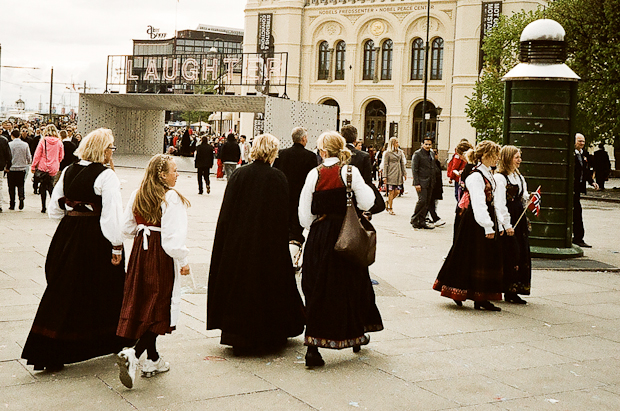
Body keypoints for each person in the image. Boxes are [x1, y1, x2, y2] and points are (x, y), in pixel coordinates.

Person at [21, 128, 131, 371]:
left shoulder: (69, 170)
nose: (112, 152)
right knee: (108, 286)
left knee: (64, 289)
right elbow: (111, 216)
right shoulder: (106, 176)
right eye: (111, 147)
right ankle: (112, 338)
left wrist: (74, 213)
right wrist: (116, 245)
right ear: (103, 150)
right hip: (94, 238)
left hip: (68, 235)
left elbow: (54, 210)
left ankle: (50, 347)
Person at [207, 134, 305, 355]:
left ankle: (237, 332)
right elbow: (282, 215)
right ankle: (268, 333)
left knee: (240, 285)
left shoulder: (239, 175)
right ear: (272, 152)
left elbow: (227, 213)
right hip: (267, 243)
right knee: (266, 286)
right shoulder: (277, 178)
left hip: (238, 242)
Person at [299, 131, 383, 367]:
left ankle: (313, 348)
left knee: (317, 287)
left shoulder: (314, 174)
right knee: (353, 285)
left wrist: (314, 227)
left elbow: (304, 215)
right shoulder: (350, 172)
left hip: (321, 236)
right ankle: (356, 335)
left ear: (323, 151)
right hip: (347, 235)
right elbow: (368, 202)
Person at [116, 154, 191, 389]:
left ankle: (153, 360)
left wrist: (143, 228)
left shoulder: (138, 193)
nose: (177, 174)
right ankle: (135, 354)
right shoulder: (170, 197)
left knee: (144, 303)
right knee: (159, 305)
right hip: (159, 252)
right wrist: (183, 259)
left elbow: (126, 227)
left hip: (141, 250)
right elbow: (172, 238)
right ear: (162, 174)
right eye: (174, 170)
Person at [433, 140, 504, 311]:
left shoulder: (486, 173)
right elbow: (478, 203)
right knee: (470, 256)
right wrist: (487, 226)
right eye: (494, 156)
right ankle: (466, 293)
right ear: (486, 155)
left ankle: (481, 296)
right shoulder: (475, 176)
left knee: (483, 257)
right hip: (474, 221)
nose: (497, 159)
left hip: (485, 217)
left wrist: (498, 224)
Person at [273, 127, 319, 267]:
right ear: (303, 139)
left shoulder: (282, 154)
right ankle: (293, 257)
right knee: (296, 228)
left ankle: (282, 254)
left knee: (284, 226)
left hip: (284, 195)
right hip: (301, 196)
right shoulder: (310, 156)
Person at [494, 145, 531, 304]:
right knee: (510, 254)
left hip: (519, 217)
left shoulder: (518, 176)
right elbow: (500, 203)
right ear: (508, 158)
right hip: (509, 217)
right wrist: (506, 224)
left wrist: (530, 199)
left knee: (521, 252)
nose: (519, 160)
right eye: (517, 157)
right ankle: (507, 288)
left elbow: (523, 195)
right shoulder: (500, 178)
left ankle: (516, 289)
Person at [31, 125, 64, 213]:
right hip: (54, 167)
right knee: (51, 186)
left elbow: (37, 154)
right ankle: (53, 204)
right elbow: (61, 156)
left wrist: (33, 166)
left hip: (43, 167)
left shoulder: (43, 141)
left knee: (42, 186)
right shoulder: (59, 142)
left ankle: (43, 206)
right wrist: (56, 162)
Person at [573, 133, 598, 248]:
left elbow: (586, 171)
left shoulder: (584, 155)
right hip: (572, 188)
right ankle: (577, 237)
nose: (582, 144)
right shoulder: (572, 155)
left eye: (583, 141)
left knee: (577, 212)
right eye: (579, 141)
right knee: (576, 212)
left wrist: (592, 182)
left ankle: (578, 237)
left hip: (578, 188)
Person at [411, 137, 437, 229]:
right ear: (422, 144)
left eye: (429, 144)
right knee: (422, 200)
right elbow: (415, 169)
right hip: (421, 181)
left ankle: (422, 221)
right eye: (426, 144)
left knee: (427, 202)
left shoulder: (432, 153)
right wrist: (416, 183)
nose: (427, 146)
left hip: (430, 181)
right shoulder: (417, 154)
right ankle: (414, 219)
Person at [380, 137, 406, 215]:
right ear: (393, 144)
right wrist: (384, 176)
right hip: (390, 173)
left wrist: (404, 173)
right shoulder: (387, 153)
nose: (398, 144)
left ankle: (387, 202)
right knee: (391, 192)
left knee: (397, 191)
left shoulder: (400, 152)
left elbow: (402, 163)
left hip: (398, 174)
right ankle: (390, 208)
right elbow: (385, 164)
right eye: (396, 143)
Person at [7, 129, 32, 210]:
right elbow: (29, 157)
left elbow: (8, 156)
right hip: (22, 168)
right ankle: (21, 198)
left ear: (12, 135)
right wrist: (28, 162)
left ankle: (12, 203)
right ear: (20, 135)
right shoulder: (25, 145)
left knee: (11, 186)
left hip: (12, 168)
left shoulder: (9, 144)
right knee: (21, 185)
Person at [427, 149, 445, 226]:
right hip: (431, 185)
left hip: (437, 186)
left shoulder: (437, 163)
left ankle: (429, 217)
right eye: (436, 154)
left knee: (433, 203)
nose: (437, 156)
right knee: (430, 203)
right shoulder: (431, 164)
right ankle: (434, 218)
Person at [0, 127, 12, 213]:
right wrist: (8, 166)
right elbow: (8, 154)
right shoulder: (3, 140)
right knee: (0, 185)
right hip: (0, 166)